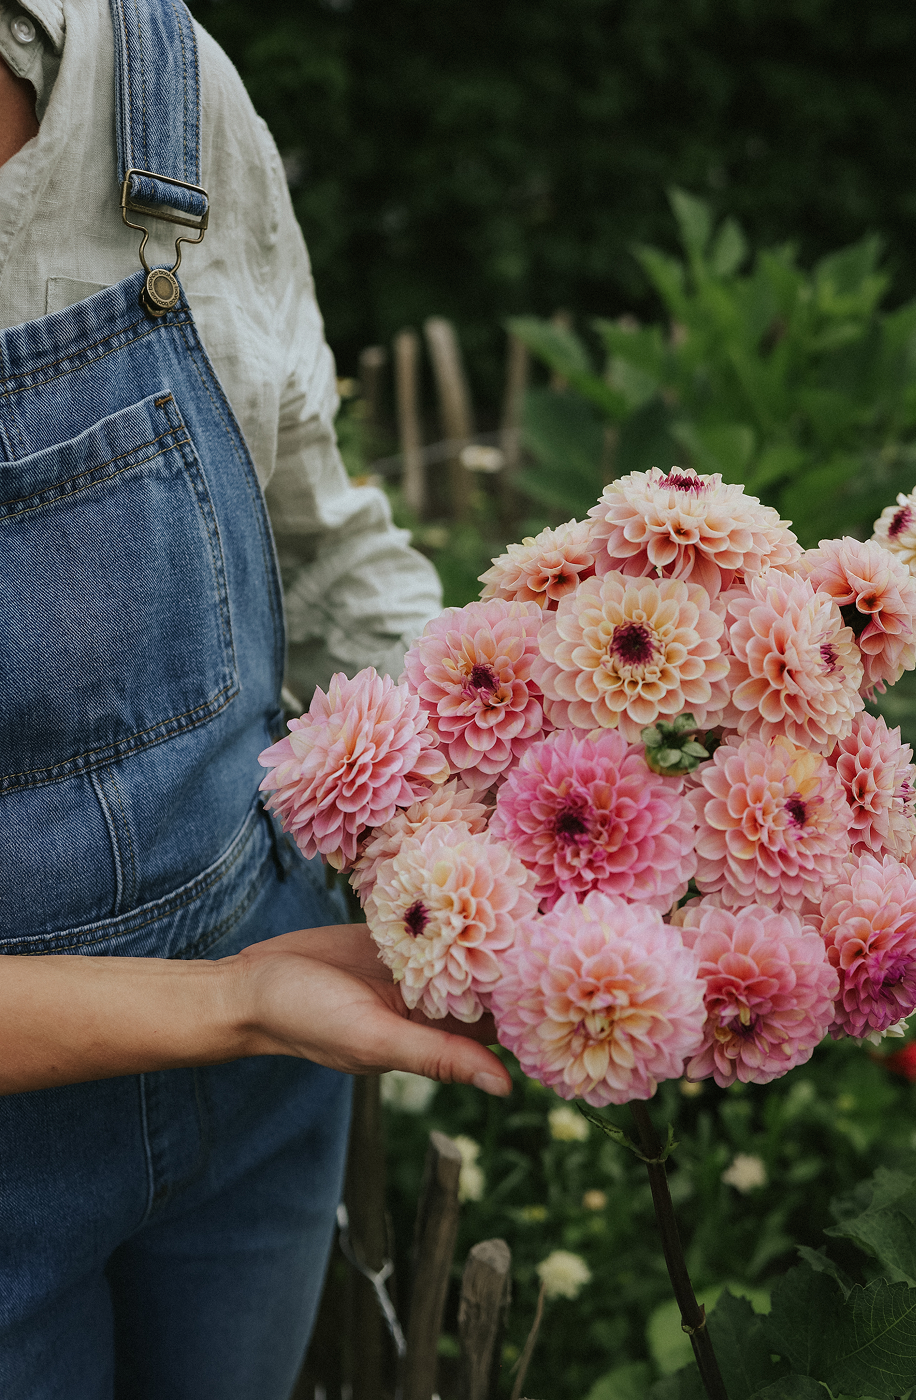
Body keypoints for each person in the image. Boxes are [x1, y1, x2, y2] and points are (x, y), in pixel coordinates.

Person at [0, 2, 509, 1397]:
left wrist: (532, 814)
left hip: (270, 1063)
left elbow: (318, 542)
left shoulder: (157, 81)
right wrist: (230, 1003)